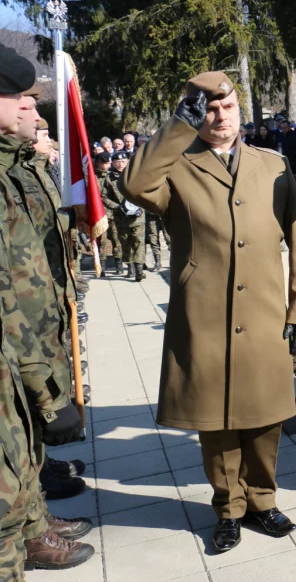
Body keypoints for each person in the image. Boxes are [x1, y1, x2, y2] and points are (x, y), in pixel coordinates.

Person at [121, 71, 296, 552]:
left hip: (267, 309)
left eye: (227, 107)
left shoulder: (272, 165)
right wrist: (175, 128)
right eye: (207, 109)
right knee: (217, 419)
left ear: (240, 107)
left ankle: (263, 501)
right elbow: (133, 186)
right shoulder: (175, 165)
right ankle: (228, 508)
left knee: (265, 414)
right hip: (205, 312)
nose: (219, 117)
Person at [0, 47, 93, 573]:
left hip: (36, 332)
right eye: (18, 100)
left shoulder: (17, 164)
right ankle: (26, 533)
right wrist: (39, 377)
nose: (30, 111)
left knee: (26, 447)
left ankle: (34, 524)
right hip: (18, 346)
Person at [104, 151, 147, 280]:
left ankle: (139, 269)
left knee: (138, 242)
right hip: (121, 218)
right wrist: (117, 207)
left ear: (128, 161)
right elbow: (104, 197)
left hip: (137, 217)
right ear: (113, 163)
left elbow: (145, 191)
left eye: (123, 161)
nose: (120, 164)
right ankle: (130, 267)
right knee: (126, 243)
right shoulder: (109, 179)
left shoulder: (136, 175)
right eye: (117, 161)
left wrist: (141, 205)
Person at [95, 155, 123, 275]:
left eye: (108, 163)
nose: (107, 165)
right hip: (100, 215)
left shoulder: (112, 176)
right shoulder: (93, 178)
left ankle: (119, 265)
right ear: (99, 163)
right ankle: (102, 267)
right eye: (105, 163)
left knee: (117, 239)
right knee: (102, 241)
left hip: (113, 213)